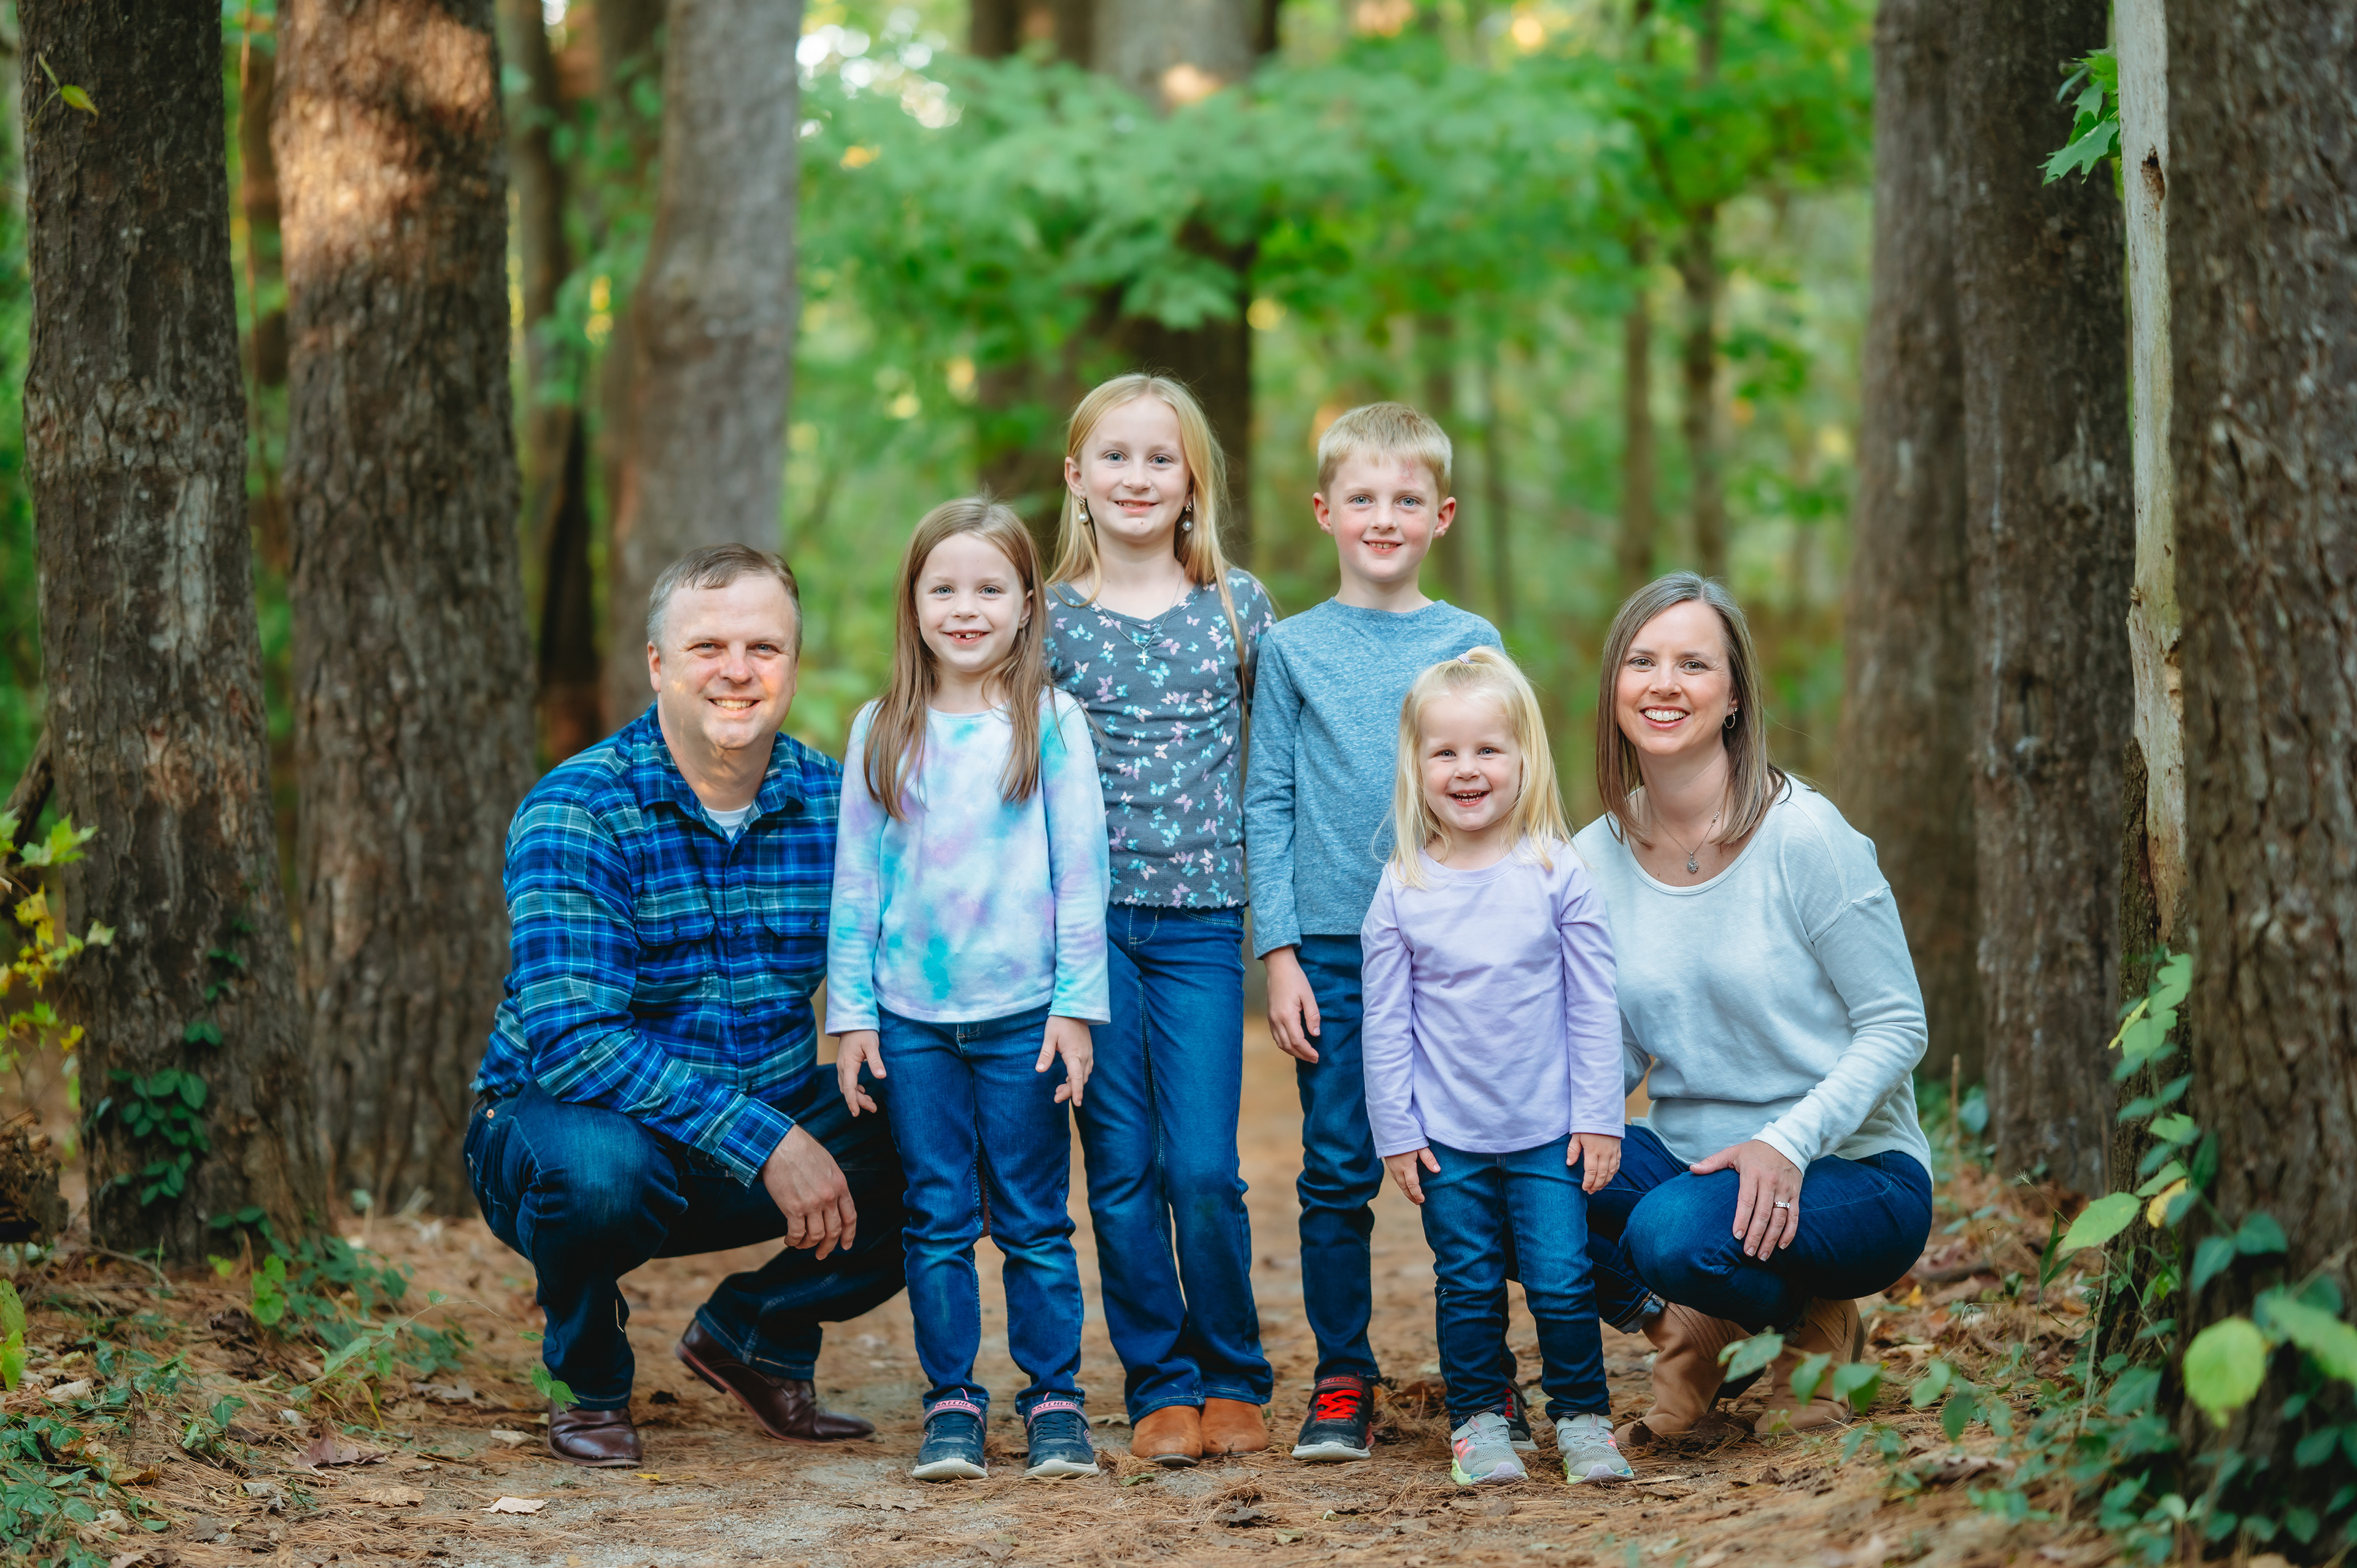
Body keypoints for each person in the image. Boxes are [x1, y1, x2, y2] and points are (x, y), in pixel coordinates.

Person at [468, 545, 900, 1469]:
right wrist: (772, 1143)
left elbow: (911, 971)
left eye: (764, 647)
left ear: (793, 666)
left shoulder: (840, 806)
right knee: (598, 1173)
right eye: (708, 647)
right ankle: (587, 1381)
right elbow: (576, 1046)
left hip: (759, 1110)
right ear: (658, 664)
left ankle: (757, 1333)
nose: (737, 671)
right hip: (572, 1130)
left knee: (961, 1119)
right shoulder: (580, 808)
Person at [1571, 573, 1933, 1440]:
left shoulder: (1806, 837)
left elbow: (1898, 1024)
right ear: (1615, 685)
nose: (1664, 685)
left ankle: (1819, 1320)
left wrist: (1786, 1142)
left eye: (1693, 665)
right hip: (1693, 1163)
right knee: (1513, 1171)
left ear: (1734, 696)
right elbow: (1614, 1048)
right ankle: (1693, 1331)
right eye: (1642, 662)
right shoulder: (1593, 858)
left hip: (1853, 1169)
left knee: (1669, 1235)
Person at [828, 498, 1111, 1483]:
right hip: (912, 1022)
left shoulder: (1050, 723)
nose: (965, 608)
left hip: (1025, 1017)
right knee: (938, 1215)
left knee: (1034, 1219)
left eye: (989, 588)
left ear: (1027, 603)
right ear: (912, 603)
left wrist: (1075, 1007)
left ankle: (1055, 1400)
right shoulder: (882, 728)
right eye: (943, 588)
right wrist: (852, 1016)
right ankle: (951, 1401)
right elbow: (856, 884)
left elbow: (1082, 876)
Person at [1244, 401, 1503, 1463]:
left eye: (1406, 499)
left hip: (1456, 947)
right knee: (1337, 1164)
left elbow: (1508, 789)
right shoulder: (1290, 649)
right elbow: (1267, 801)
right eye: (1363, 498)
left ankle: (1482, 1378)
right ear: (1326, 512)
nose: (1383, 517)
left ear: (1442, 515)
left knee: (1467, 1164)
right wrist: (1280, 956)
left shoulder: (1471, 643)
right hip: (1334, 951)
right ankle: (1342, 1375)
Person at [1043, 373, 1279, 1467]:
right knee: (1123, 1168)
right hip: (1088, 928)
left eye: (1160, 458)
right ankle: (1160, 1383)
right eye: (1115, 456)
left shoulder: (1239, 607)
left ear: (1193, 482)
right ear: (1077, 477)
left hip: (1200, 925)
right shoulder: (1045, 618)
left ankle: (1233, 1373)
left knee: (1201, 1168)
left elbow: (1279, 767)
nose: (1136, 477)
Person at [1362, 647, 1638, 1489]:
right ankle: (1480, 1422)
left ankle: (1583, 1420)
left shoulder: (1556, 874)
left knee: (1562, 1279)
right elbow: (1385, 1023)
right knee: (1469, 1283)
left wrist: (1600, 1117)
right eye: (1445, 751)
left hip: (1549, 1131)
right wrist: (1397, 1132)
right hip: (1448, 1139)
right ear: (1416, 766)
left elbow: (1593, 1006)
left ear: (1524, 759)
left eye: (1488, 749)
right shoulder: (1403, 886)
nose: (1467, 768)